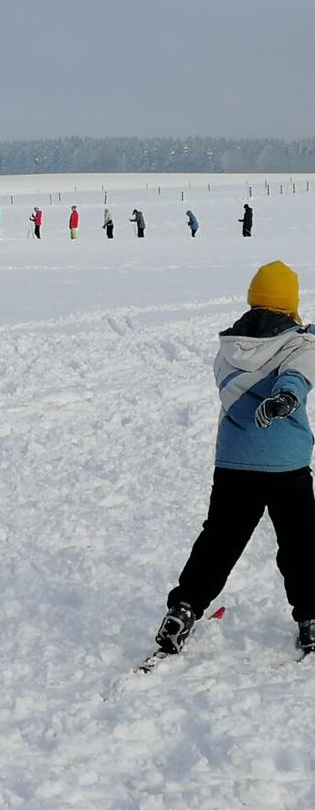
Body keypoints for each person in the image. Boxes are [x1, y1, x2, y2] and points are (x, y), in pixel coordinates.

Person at [153, 261, 315, 657]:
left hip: (234, 464)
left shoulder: (229, 348)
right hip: (286, 466)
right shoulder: (301, 345)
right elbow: (296, 374)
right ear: (291, 303)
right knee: (301, 544)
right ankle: (311, 619)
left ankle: (184, 608)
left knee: (219, 542)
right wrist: (284, 399)